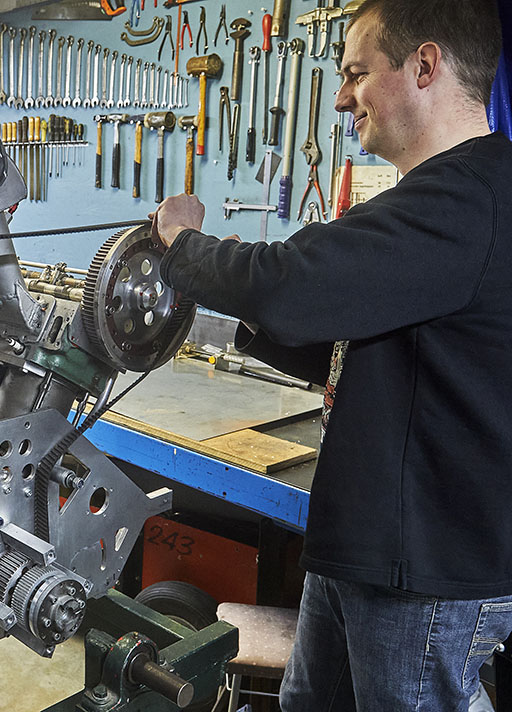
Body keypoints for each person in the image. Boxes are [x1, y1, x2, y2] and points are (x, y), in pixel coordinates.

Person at [151, 0, 509, 709]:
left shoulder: (467, 198)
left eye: (356, 73)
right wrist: (254, 319)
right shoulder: (447, 202)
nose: (342, 97)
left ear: (425, 66)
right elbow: (370, 342)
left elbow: (292, 281)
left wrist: (184, 246)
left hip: (424, 575)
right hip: (370, 550)